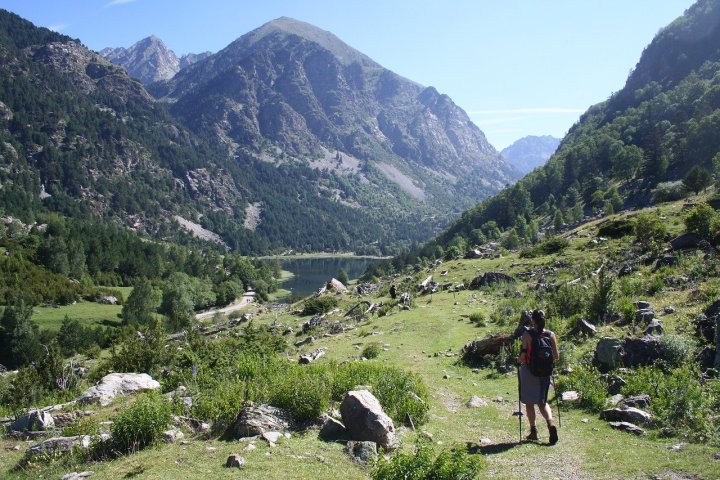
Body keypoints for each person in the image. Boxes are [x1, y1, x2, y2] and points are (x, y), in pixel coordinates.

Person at [517, 309, 560, 444]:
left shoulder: (527, 335)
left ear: (533, 321)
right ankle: (550, 423)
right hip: (545, 373)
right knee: (542, 402)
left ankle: (533, 431)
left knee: (529, 403)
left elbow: (524, 356)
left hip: (530, 371)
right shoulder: (550, 335)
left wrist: (517, 361)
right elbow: (556, 356)